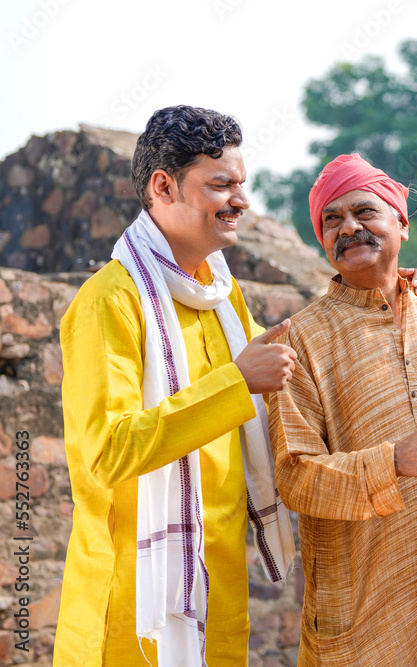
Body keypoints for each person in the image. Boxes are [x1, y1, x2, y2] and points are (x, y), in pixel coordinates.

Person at [55, 106, 297, 666]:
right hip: (132, 613)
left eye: (241, 184)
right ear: (163, 186)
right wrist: (236, 383)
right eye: (221, 185)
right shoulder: (111, 302)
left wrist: (385, 283)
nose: (241, 201)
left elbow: (294, 359)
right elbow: (109, 451)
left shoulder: (221, 299)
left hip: (214, 596)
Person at [268, 154, 417, 666]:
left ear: (402, 223)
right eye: (331, 220)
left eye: (364, 212)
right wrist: (395, 461)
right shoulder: (302, 340)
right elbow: (295, 477)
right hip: (360, 616)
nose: (348, 227)